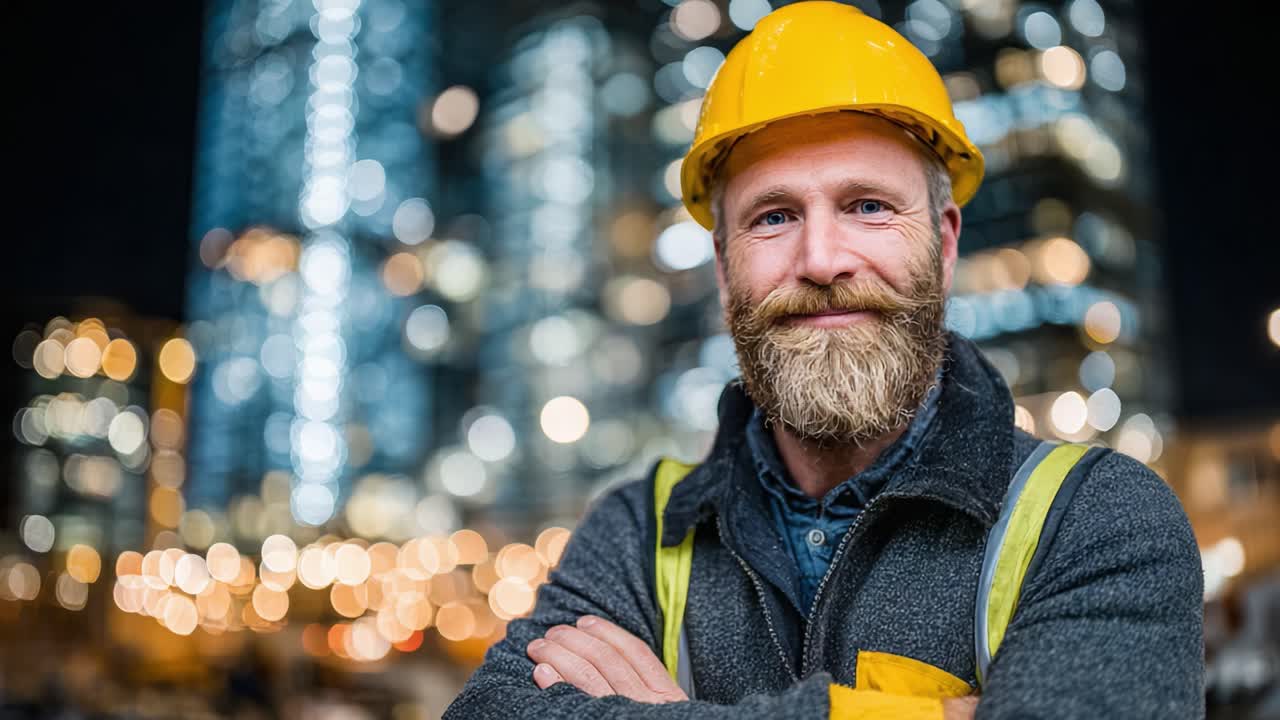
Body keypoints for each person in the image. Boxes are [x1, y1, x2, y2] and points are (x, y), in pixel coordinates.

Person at [444, 2, 1204, 718]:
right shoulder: (638, 531)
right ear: (722, 267)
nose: (820, 259)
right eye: (774, 217)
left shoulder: (1099, 521)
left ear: (942, 244)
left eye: (868, 205)